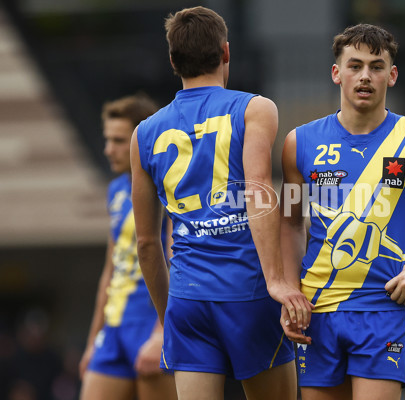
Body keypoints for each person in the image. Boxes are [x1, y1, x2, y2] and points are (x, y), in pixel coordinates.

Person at [279, 24, 405, 400]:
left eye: (377, 66)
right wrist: (290, 292)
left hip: (382, 310)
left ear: (392, 75)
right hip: (316, 312)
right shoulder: (298, 143)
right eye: (355, 65)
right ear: (337, 73)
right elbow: (289, 222)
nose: (365, 76)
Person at [129, 6, 313, 400]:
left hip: (187, 299)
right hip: (247, 292)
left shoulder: (144, 133)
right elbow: (256, 191)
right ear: (226, 52)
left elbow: (146, 243)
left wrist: (169, 318)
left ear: (173, 60)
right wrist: (277, 282)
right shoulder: (253, 108)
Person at [79, 94, 177, 400]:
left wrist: (164, 331)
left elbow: (177, 259)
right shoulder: (115, 189)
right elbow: (110, 269)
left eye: (119, 140)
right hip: (114, 328)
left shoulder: (167, 182)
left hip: (149, 322)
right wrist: (92, 340)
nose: (109, 149)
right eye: (108, 139)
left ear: (141, 139)